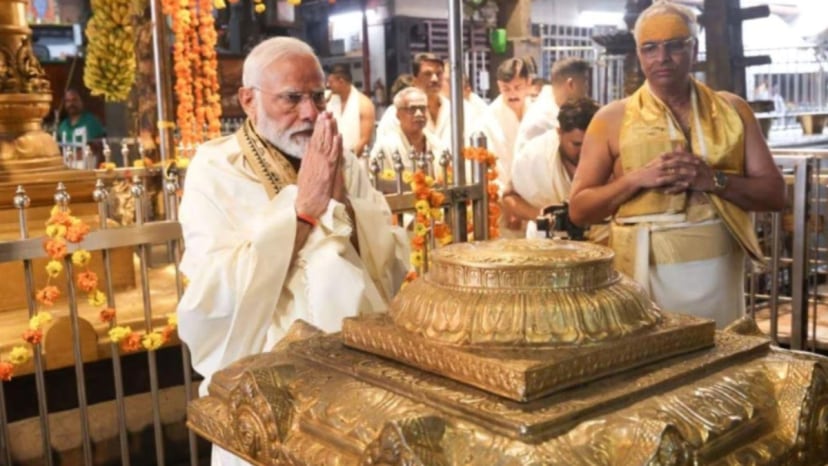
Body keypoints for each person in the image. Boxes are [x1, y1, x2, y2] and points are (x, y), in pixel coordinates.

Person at [176, 37, 409, 466]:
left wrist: (342, 204)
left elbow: (386, 260)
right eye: (292, 98)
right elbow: (213, 292)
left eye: (317, 96)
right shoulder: (215, 171)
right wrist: (302, 212)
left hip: (356, 377)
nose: (309, 112)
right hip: (265, 384)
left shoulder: (342, 158)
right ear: (249, 100)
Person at [568, 1, 785, 328]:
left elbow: (775, 194)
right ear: (639, 55)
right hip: (642, 276)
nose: (662, 58)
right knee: (653, 369)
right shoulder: (611, 119)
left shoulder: (732, 111)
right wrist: (636, 179)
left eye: (674, 46)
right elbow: (579, 209)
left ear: (694, 48)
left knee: (721, 366)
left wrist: (713, 180)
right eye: (650, 48)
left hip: (719, 271)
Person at [511, 97, 601, 237]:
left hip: (600, 242)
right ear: (559, 133)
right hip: (545, 247)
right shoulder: (535, 155)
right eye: (577, 144)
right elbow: (509, 196)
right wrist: (540, 217)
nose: (584, 151)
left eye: (590, 143)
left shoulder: (609, 152)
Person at [479, 57, 533, 238]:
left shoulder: (537, 113)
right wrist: (511, 204)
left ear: (528, 83)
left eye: (517, 87)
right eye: (506, 89)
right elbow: (490, 168)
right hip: (504, 206)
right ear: (498, 86)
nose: (512, 94)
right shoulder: (488, 120)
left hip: (537, 200)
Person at [370, 87, 446, 190]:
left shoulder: (436, 144)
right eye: (412, 109)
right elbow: (375, 184)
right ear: (398, 114)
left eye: (423, 108)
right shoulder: (385, 146)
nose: (419, 114)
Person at [514, 57, 590, 153]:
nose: (586, 92)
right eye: (585, 84)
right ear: (571, 84)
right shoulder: (541, 120)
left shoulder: (556, 111)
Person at [376, 53, 450, 146]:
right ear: (415, 79)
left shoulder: (458, 110)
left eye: (439, 74)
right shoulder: (396, 113)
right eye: (427, 74)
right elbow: (382, 152)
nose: (434, 79)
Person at [326, 63, 376, 158]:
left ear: (341, 81)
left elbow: (365, 139)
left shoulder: (364, 104)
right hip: (332, 160)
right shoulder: (328, 101)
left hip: (358, 161)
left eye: (331, 82)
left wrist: (348, 160)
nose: (328, 85)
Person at [57, 89, 106, 167]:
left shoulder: (91, 121)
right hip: (67, 167)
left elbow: (98, 146)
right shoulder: (62, 125)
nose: (71, 104)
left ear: (81, 101)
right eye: (68, 101)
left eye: (74, 100)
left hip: (88, 165)